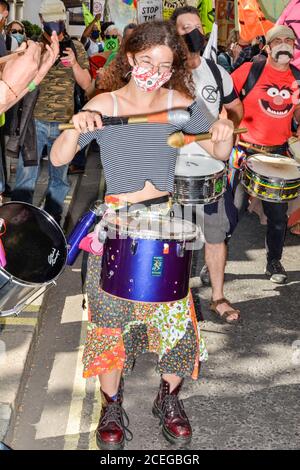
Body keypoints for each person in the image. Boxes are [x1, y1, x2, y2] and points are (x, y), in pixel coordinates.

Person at [51, 21, 235, 450]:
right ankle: (111, 404)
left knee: (176, 323)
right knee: (109, 325)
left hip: (166, 225)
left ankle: (168, 398)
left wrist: (223, 133)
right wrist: (78, 124)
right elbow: (61, 157)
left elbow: (219, 152)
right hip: (116, 224)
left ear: (173, 69)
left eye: (165, 64)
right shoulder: (106, 103)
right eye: (147, 59)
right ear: (131, 58)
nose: (155, 68)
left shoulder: (180, 105)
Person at [171, 5, 243, 323]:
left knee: (215, 238)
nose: (193, 32)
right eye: (185, 28)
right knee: (175, 241)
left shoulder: (216, 72)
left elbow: (235, 108)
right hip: (172, 172)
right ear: (174, 35)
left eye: (197, 26)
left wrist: (228, 126)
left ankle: (217, 297)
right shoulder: (167, 73)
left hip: (212, 172)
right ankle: (175, 300)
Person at [11, 0, 91, 225]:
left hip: (65, 124)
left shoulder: (76, 47)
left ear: (64, 18)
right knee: (26, 176)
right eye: (49, 19)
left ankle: (51, 222)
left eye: (58, 18)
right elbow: (19, 84)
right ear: (41, 20)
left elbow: (87, 85)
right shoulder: (31, 48)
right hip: (34, 122)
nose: (54, 24)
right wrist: (42, 62)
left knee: (59, 178)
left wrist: (74, 64)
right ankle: (19, 224)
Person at [231, 25, 300, 284]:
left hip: (278, 156)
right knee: (232, 211)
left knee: (278, 216)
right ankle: (215, 262)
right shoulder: (250, 70)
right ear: (268, 47)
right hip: (244, 152)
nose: (284, 44)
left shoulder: (297, 78)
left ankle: (274, 261)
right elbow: (227, 99)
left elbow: (297, 118)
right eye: (278, 40)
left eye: (289, 40)